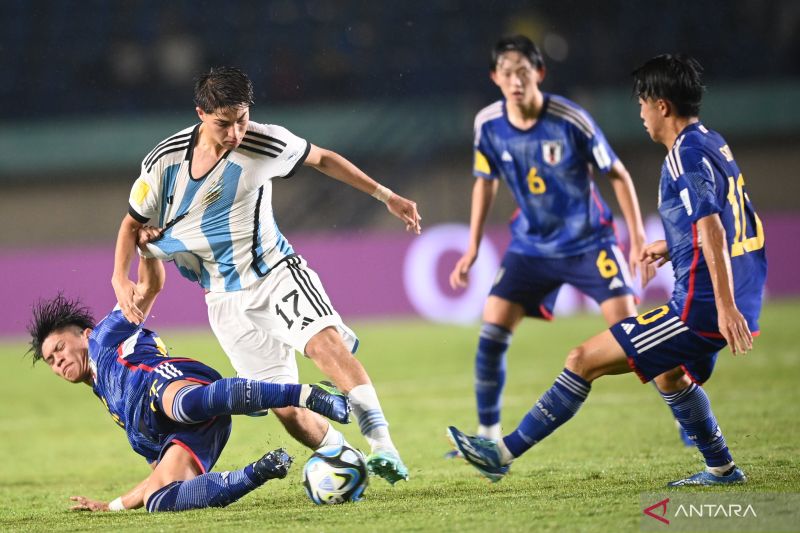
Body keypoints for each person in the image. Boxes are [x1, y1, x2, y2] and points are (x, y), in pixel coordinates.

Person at [447, 54, 767, 486]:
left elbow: (711, 225)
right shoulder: (712, 141)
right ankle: (722, 468)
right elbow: (726, 222)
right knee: (669, 374)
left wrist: (724, 307)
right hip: (740, 292)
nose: (640, 113)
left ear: (662, 105)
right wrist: (671, 248)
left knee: (582, 359)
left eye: (642, 103)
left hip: (703, 307)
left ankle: (500, 453)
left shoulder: (682, 156)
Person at [112, 66, 420, 484]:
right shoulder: (165, 161)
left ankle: (383, 446)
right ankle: (349, 462)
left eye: (241, 119)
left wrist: (387, 196)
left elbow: (324, 159)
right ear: (201, 113)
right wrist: (119, 277)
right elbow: (132, 224)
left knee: (323, 346)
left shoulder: (264, 140)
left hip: (275, 273)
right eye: (225, 123)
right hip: (222, 299)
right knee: (285, 407)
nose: (236, 132)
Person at [28, 245, 352, 512]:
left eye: (59, 348)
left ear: (83, 335)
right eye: (52, 361)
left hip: (169, 384)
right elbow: (157, 477)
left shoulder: (104, 336)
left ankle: (303, 395)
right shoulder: (114, 405)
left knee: (182, 405)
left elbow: (149, 286)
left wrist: (145, 249)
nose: (59, 361)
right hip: (187, 428)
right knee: (159, 500)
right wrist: (111, 506)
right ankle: (259, 471)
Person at [449, 35, 653, 442]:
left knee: (635, 339)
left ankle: (692, 424)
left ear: (539, 73)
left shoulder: (570, 119)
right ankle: (487, 435)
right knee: (491, 335)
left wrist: (638, 238)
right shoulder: (487, 124)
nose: (515, 80)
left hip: (589, 243)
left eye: (523, 72)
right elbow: (484, 182)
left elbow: (617, 173)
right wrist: (472, 245)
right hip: (532, 247)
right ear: (495, 77)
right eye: (506, 73)